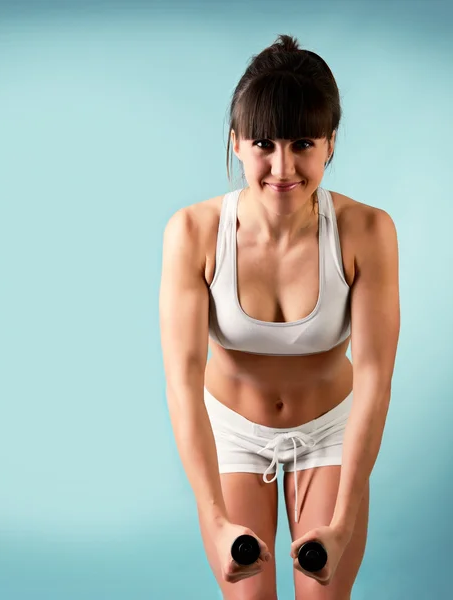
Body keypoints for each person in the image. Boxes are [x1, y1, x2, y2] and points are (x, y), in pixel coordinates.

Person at [159, 33, 400, 600]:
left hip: (331, 433)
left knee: (322, 593)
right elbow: (182, 381)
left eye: (303, 143)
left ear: (331, 145)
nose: (282, 166)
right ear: (237, 143)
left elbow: (373, 378)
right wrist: (215, 520)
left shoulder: (368, 231)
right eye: (264, 143)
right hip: (234, 435)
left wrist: (342, 522)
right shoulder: (192, 233)